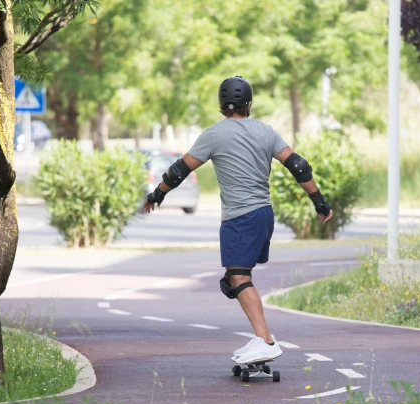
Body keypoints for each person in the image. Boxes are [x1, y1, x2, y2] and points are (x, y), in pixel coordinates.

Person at [142, 76, 333, 365]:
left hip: (239, 218)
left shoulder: (214, 134)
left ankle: (266, 340)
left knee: (239, 278)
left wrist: (157, 194)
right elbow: (298, 165)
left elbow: (180, 170)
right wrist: (319, 201)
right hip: (263, 215)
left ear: (222, 104)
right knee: (236, 277)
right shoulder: (266, 132)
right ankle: (260, 339)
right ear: (249, 102)